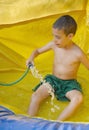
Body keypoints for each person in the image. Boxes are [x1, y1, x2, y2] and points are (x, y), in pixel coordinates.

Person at [26, 15, 89, 121]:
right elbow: (37, 51)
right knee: (36, 95)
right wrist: (31, 58)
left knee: (78, 99)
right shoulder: (53, 45)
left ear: (70, 36)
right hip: (53, 80)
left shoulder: (78, 53)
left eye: (58, 37)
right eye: (53, 36)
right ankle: (28, 121)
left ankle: (58, 123)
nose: (54, 40)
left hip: (69, 84)